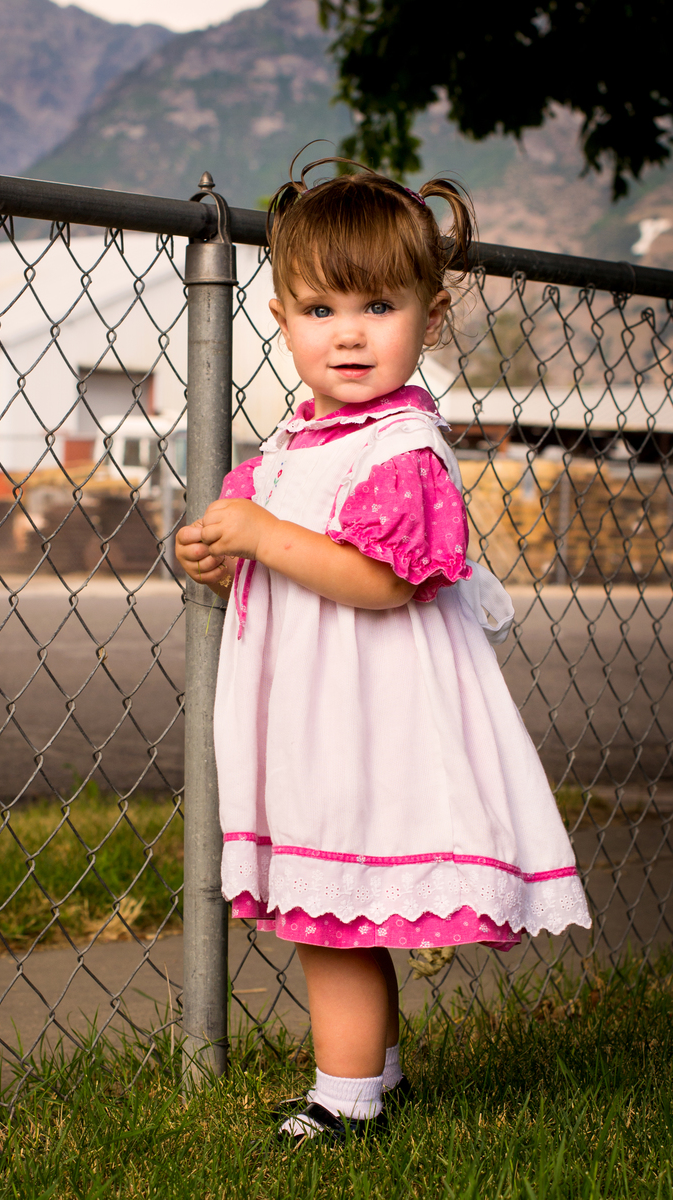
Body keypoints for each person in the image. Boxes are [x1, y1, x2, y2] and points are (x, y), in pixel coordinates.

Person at [175, 155, 591, 1147]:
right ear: (279, 320)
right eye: (320, 310)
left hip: (369, 721)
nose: (349, 333)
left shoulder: (398, 448)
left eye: (377, 305)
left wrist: (259, 536)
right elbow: (283, 552)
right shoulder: (297, 443)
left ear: (429, 318)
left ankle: (346, 1100)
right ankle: (374, 1072)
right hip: (316, 712)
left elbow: (380, 580)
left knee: (333, 915)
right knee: (339, 908)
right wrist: (223, 548)